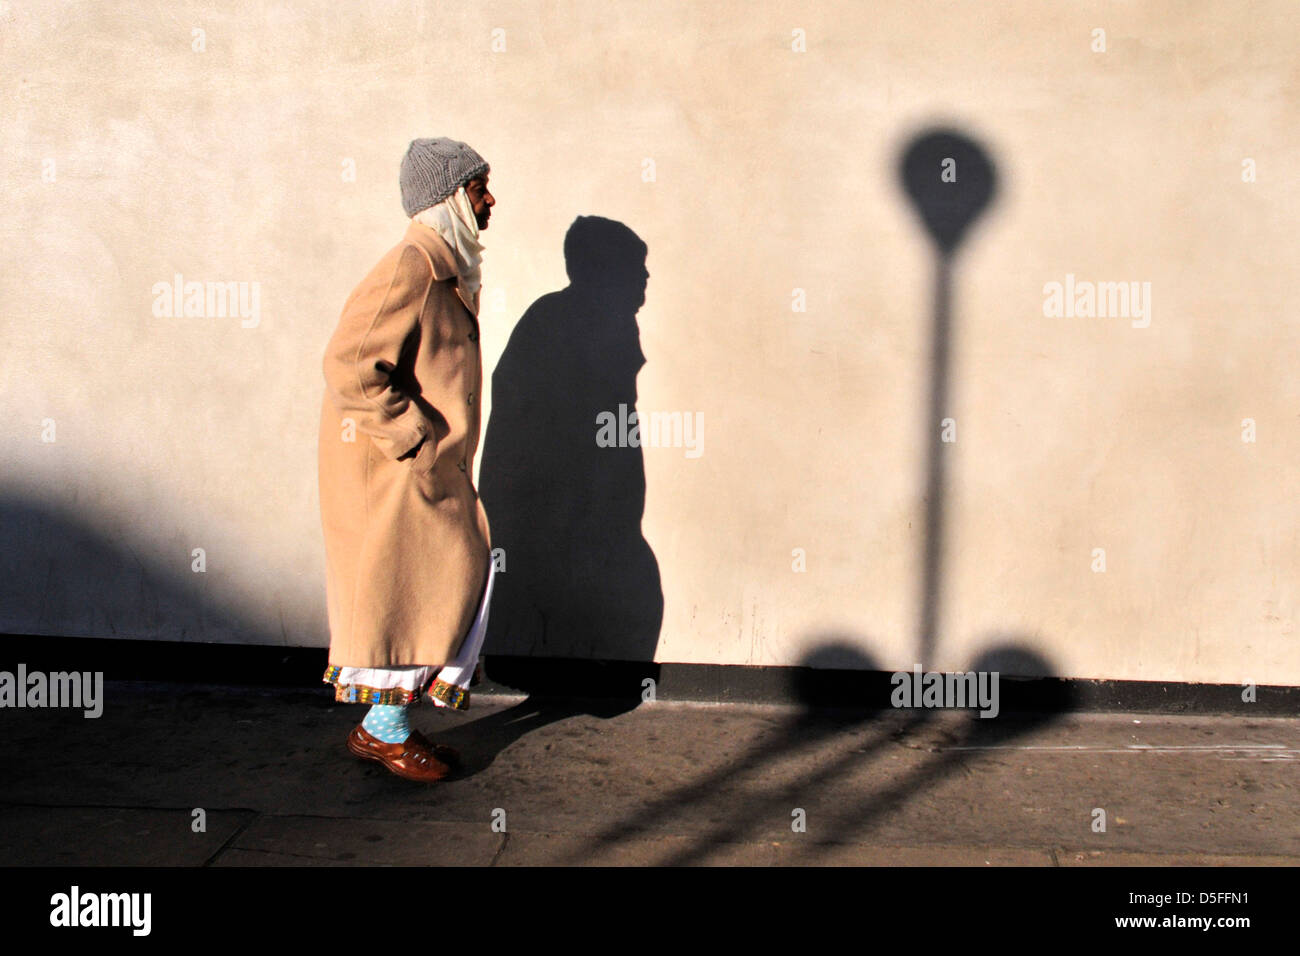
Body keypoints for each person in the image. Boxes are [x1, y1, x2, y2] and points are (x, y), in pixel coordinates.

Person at [317, 137, 496, 782]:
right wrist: (414, 437)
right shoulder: (413, 265)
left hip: (424, 471)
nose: (490, 199)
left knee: (446, 584)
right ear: (450, 196)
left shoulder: (442, 266)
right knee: (402, 596)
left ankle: (382, 726)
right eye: (478, 188)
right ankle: (384, 731)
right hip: (394, 473)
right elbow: (350, 363)